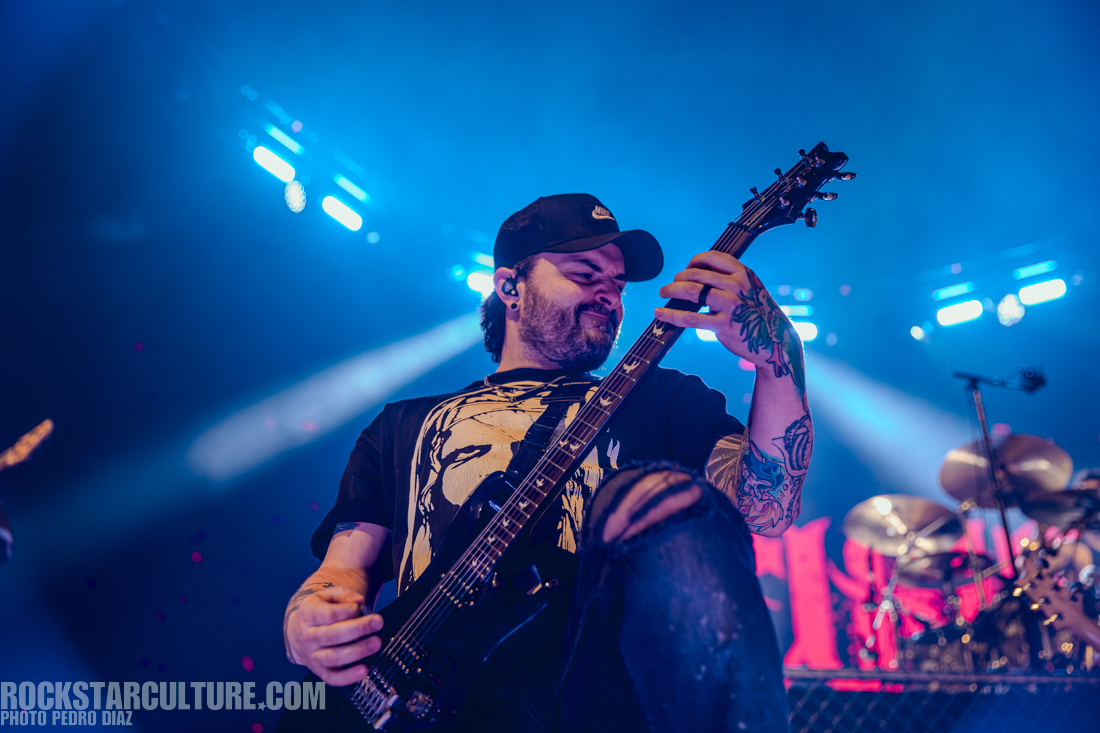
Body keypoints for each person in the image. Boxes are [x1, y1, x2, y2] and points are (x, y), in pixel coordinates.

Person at [278, 193, 810, 732]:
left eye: (619, 285)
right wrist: (308, 623)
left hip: (588, 690)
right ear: (510, 287)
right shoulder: (403, 424)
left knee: (655, 494)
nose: (610, 296)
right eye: (585, 274)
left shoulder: (664, 398)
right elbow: (343, 572)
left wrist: (779, 357)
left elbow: (767, 510)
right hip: (416, 698)